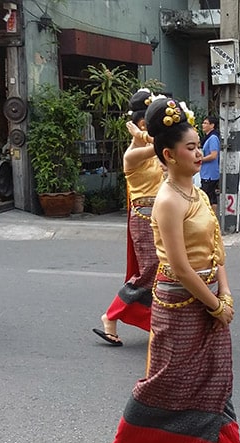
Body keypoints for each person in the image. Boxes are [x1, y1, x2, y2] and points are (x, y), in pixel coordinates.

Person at [101, 95, 240, 443]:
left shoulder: (197, 194)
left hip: (208, 298)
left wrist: (227, 293)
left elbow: (216, 248)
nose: (199, 154)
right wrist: (216, 304)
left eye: (199, 148)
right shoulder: (167, 201)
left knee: (216, 380)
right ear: (169, 154)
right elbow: (180, 267)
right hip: (180, 303)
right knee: (166, 382)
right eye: (191, 149)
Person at [92, 89, 162, 346]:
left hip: (161, 216)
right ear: (143, 124)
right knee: (148, 272)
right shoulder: (133, 153)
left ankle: (158, 321)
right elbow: (161, 145)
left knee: (163, 271)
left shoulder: (152, 150)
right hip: (144, 218)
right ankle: (110, 316)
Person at [199, 115, 220, 213]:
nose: (203, 125)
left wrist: (201, 159)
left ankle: (210, 218)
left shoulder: (213, 138)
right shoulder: (208, 137)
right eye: (203, 123)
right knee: (211, 196)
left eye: (206, 123)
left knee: (206, 196)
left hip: (210, 173)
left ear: (212, 125)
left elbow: (213, 155)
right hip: (206, 172)